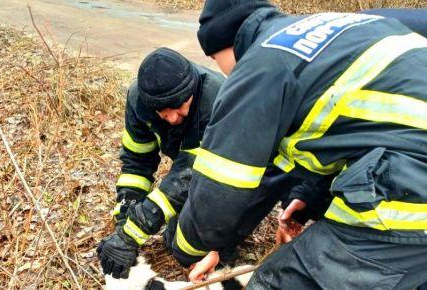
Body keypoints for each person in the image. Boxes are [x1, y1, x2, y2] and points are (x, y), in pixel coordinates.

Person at [171, 1, 427, 288]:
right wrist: (310, 196)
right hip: (412, 166)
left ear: (224, 44)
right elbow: (363, 131)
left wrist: (189, 245)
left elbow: (221, 190)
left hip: (411, 185)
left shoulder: (261, 62)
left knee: (277, 282)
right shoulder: (331, 28)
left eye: (214, 57)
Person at [96, 47, 303, 279]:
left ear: (192, 90)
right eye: (163, 112)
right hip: (202, 172)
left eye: (179, 106)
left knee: (185, 249)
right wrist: (124, 222)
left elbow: (191, 173)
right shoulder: (139, 101)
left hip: (240, 178)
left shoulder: (217, 100)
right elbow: (136, 164)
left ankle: (223, 247)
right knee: (176, 232)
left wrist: (132, 233)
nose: (173, 118)